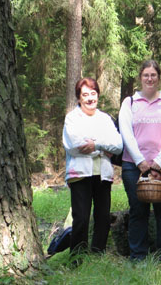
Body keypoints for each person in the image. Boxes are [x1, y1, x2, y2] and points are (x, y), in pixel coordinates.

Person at [118, 60, 161, 263]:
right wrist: (140, 161)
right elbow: (126, 132)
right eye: (146, 75)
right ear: (140, 78)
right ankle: (138, 255)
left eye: (153, 75)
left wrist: (158, 162)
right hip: (133, 165)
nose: (150, 79)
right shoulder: (130, 102)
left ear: (159, 78)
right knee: (138, 210)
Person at [63, 77, 123, 256]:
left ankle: (98, 255)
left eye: (93, 93)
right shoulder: (72, 118)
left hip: (103, 175)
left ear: (98, 95)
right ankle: (78, 258)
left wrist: (96, 144)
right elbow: (74, 145)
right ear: (79, 98)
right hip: (80, 174)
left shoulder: (105, 119)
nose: (90, 98)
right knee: (81, 219)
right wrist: (104, 148)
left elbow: (118, 145)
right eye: (85, 94)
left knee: (103, 218)